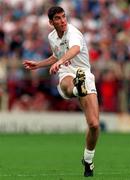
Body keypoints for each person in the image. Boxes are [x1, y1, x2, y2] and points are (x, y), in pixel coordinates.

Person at [23, 6, 100, 177]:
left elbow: (75, 49)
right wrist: (39, 64)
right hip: (67, 72)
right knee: (66, 84)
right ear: (51, 22)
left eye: (64, 17)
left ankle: (88, 160)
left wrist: (60, 61)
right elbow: (57, 55)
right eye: (58, 18)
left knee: (94, 125)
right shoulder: (52, 37)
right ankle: (76, 88)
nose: (63, 20)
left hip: (84, 74)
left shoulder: (73, 32)